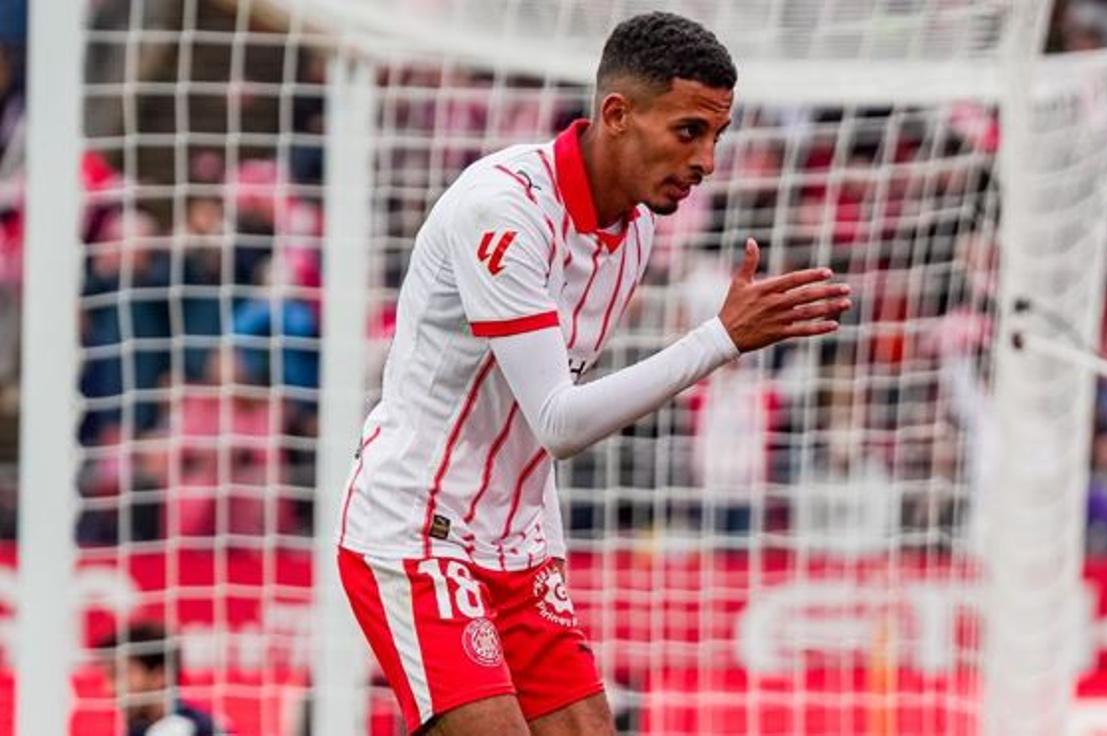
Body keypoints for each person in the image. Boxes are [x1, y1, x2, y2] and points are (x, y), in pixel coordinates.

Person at [336, 11, 851, 736]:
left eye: (717, 136)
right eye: (688, 132)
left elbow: (535, 418)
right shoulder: (504, 212)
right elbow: (559, 419)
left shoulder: (635, 228)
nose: (707, 160)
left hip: (518, 542)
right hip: (420, 532)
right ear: (617, 115)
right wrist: (720, 339)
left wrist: (540, 537)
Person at [99, 622, 220, 736]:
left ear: (160, 676)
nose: (108, 688)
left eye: (118, 675)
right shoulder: (137, 729)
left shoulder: (197, 729)